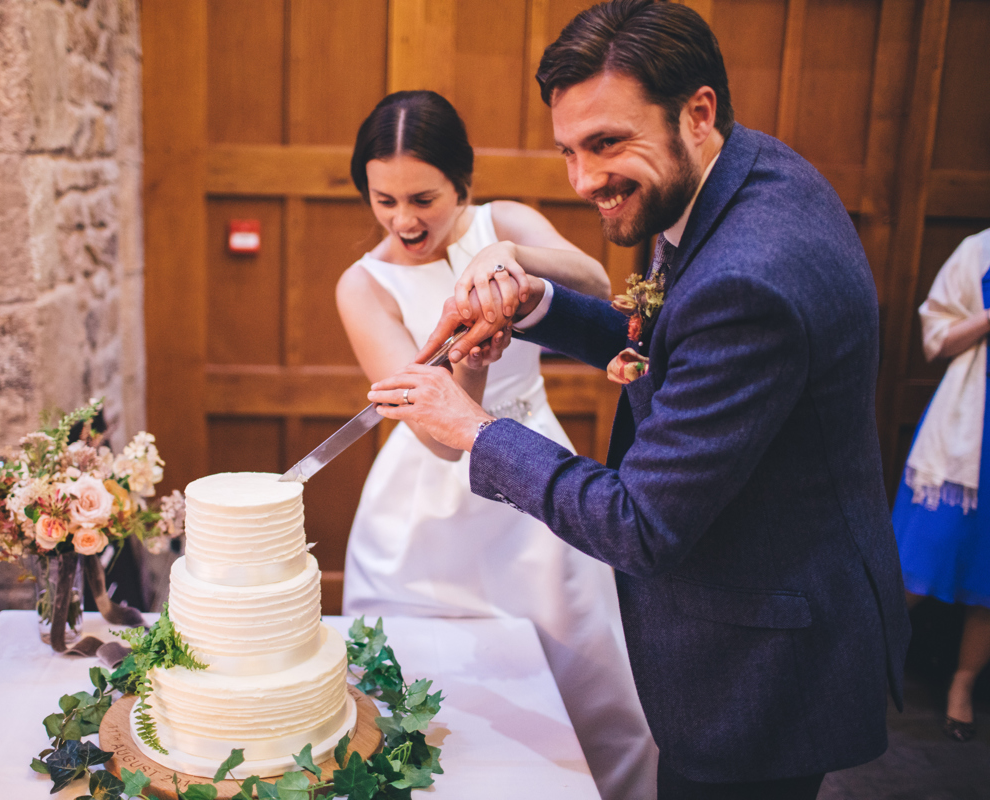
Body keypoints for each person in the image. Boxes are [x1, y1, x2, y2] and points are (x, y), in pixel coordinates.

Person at [364, 2, 911, 798]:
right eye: (569, 150)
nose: (583, 181)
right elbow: (667, 337)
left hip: (756, 664)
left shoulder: (750, 276)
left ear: (697, 112)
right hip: (765, 601)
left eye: (607, 144)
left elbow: (641, 522)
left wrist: (473, 429)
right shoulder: (735, 174)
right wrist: (535, 306)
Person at [336, 90, 657, 800]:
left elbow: (599, 284)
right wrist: (474, 359)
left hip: (535, 471)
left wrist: (505, 254)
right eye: (383, 200)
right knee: (416, 695)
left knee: (587, 678)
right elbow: (443, 439)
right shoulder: (363, 287)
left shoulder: (501, 219)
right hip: (424, 496)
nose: (403, 219)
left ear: (464, 183)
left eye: (424, 197)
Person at [891, 228, 990, 742]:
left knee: (988, 576)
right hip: (967, 426)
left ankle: (962, 687)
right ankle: (863, 659)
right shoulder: (978, 250)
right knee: (920, 558)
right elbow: (936, 338)